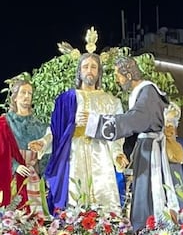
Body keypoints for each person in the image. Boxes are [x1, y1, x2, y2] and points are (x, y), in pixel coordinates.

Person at [85, 55, 179, 231]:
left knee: (147, 193)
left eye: (118, 75)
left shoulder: (148, 91)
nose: (117, 80)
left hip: (151, 150)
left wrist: (98, 124)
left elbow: (137, 118)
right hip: (146, 146)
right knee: (142, 191)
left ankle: (148, 234)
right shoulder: (144, 92)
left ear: (128, 75)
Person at [29, 52, 125, 214]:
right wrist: (43, 142)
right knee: (75, 200)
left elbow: (116, 133)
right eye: (85, 66)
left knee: (104, 204)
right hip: (74, 156)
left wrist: (117, 153)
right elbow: (55, 130)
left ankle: (106, 233)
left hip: (100, 156)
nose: (89, 70)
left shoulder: (111, 101)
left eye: (94, 67)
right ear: (79, 71)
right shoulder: (66, 99)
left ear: (99, 72)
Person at [0, 78, 48, 211]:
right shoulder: (3, 123)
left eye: (29, 93)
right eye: (23, 93)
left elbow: (46, 154)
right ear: (15, 97)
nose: (27, 96)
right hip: (12, 177)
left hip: (33, 176)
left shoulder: (40, 126)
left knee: (35, 217)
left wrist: (46, 178)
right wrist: (15, 165)